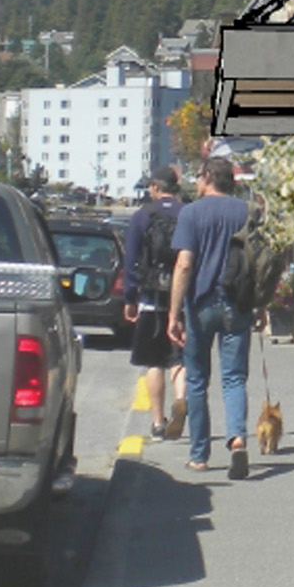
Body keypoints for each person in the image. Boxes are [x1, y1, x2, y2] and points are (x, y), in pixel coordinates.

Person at [166, 156, 262, 478]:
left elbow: (184, 264)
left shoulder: (191, 213)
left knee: (196, 379)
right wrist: (260, 305)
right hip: (238, 303)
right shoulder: (245, 211)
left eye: (198, 176)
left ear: (208, 177)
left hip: (201, 303)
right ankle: (237, 440)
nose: (195, 182)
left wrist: (173, 313)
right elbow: (258, 261)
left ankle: (199, 454)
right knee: (234, 377)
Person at [123, 166, 187, 440]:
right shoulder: (188, 213)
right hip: (181, 296)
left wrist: (130, 298)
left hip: (151, 295)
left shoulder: (142, 216)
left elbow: (131, 259)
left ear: (155, 187)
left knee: (153, 362)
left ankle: (158, 422)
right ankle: (181, 399)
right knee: (179, 358)